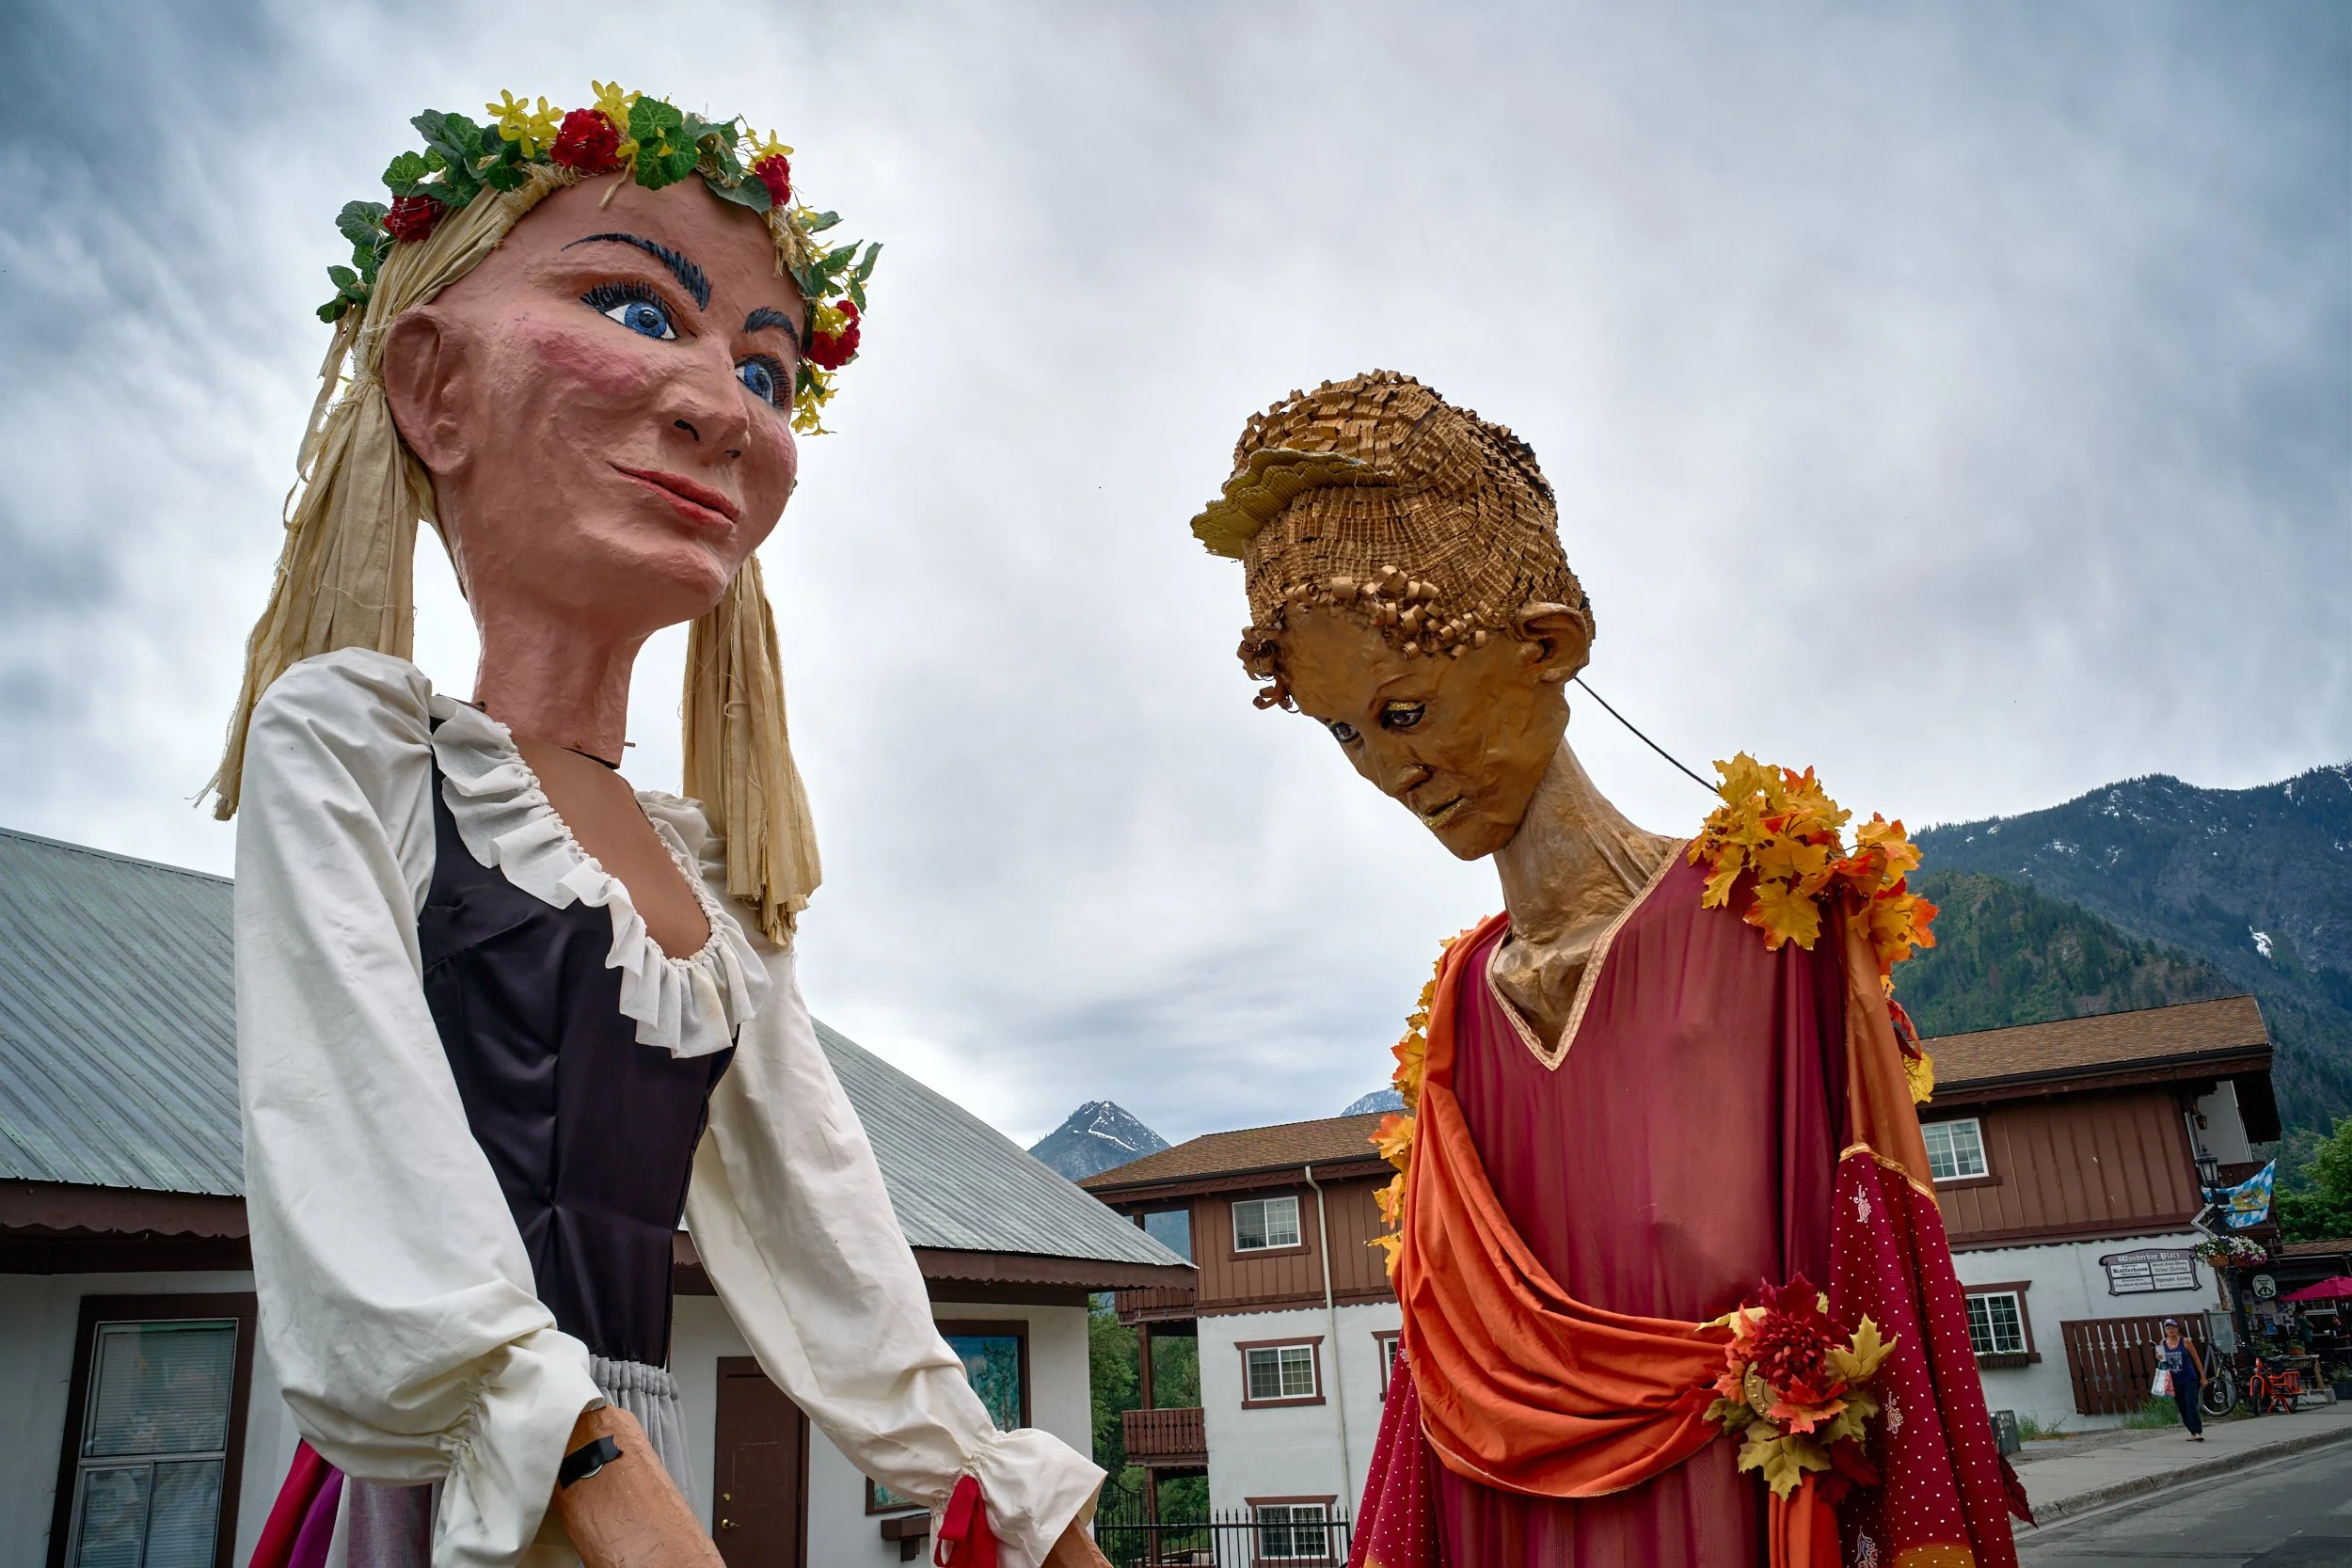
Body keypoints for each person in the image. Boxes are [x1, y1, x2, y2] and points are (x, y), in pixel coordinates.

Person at [215, 87, 1106, 1568]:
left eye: (764, 369)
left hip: (638, 1466)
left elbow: (829, 1238)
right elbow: (356, 1145)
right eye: (634, 308)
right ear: (434, 384)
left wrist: (1019, 1507)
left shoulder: (710, 877)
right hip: (460, 1490)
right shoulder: (358, 751)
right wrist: (595, 1483)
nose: (720, 407)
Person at [1186, 372, 2029, 1568]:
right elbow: (1440, 1352)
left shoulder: (1771, 914)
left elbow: (1879, 1266)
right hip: (1502, 1513)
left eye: (1405, 708)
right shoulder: (1459, 1007)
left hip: (1733, 1507)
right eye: (1344, 732)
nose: (1386, 770)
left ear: (1548, 643)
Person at [2157, 1321, 2208, 1439]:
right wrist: (2159, 1357)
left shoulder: (2185, 1341)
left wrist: (2203, 1376)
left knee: (2190, 1403)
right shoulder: (2163, 1343)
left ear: (2177, 1328)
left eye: (2173, 1327)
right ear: (2165, 1330)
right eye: (2168, 1328)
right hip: (2174, 1380)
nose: (2171, 1330)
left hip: (2189, 1378)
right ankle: (2192, 1432)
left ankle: (2197, 1431)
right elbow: (2163, 1361)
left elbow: (2196, 1359)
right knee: (2182, 1406)